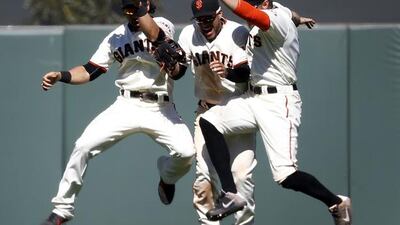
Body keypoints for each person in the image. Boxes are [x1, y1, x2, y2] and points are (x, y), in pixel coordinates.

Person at [39, 1, 195, 224]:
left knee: (186, 153)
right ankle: (62, 208)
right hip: (126, 104)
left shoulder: (162, 23)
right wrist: (62, 76)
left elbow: (155, 35)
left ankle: (167, 176)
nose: (131, 12)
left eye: (136, 7)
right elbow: (89, 70)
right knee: (83, 145)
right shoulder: (116, 36)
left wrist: (139, 7)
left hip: (160, 107)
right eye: (128, 8)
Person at [199, 1, 352, 225]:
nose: (250, 6)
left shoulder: (275, 17)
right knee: (209, 120)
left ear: (265, 3)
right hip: (253, 98)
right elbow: (292, 14)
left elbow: (249, 12)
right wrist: (300, 20)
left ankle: (336, 202)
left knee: (285, 175)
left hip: (279, 101)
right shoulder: (282, 13)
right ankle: (231, 195)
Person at [177, 1, 257, 225]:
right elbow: (179, 69)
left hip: (238, 111)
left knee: (242, 179)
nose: (204, 23)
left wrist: (228, 72)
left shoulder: (238, 32)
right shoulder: (188, 35)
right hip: (207, 112)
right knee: (203, 181)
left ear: (220, 15)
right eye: (199, 19)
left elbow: (246, 73)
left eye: (208, 18)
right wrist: (171, 63)